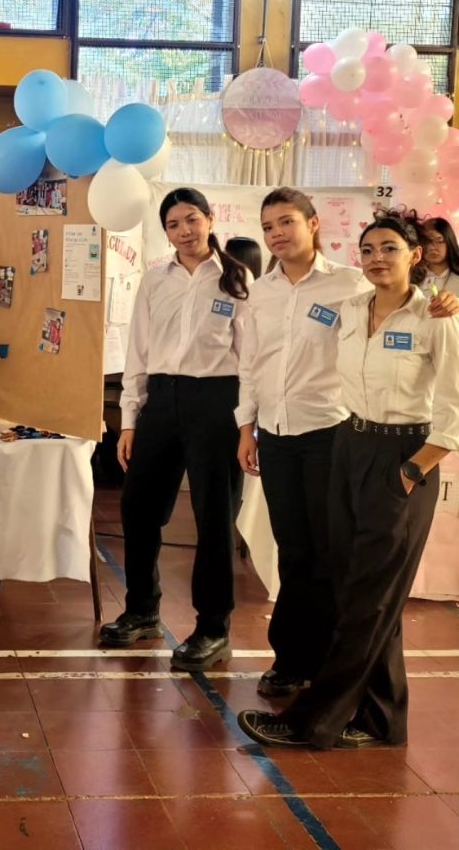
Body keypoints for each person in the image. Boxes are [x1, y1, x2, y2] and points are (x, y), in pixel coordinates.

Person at [239, 209, 459, 749]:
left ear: (415, 255)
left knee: (368, 598)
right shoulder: (353, 306)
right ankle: (383, 718)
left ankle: (313, 722)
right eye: (368, 250)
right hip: (348, 444)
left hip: (404, 456)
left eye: (390, 248)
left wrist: (413, 470)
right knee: (358, 588)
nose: (377, 258)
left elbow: (454, 408)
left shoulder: (436, 317)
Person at [99, 188, 248, 671]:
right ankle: (142, 610)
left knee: (214, 518)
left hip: (218, 402)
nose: (184, 231)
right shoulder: (155, 280)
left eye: (192, 220)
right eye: (173, 224)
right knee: (138, 507)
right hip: (161, 401)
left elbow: (250, 357)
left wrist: (248, 423)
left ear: (210, 219)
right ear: (165, 231)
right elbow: (138, 352)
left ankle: (213, 628)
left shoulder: (236, 278)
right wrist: (130, 421)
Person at [418, 215, 459, 298]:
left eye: (439, 241)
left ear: (449, 242)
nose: (432, 247)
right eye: (427, 241)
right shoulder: (413, 278)